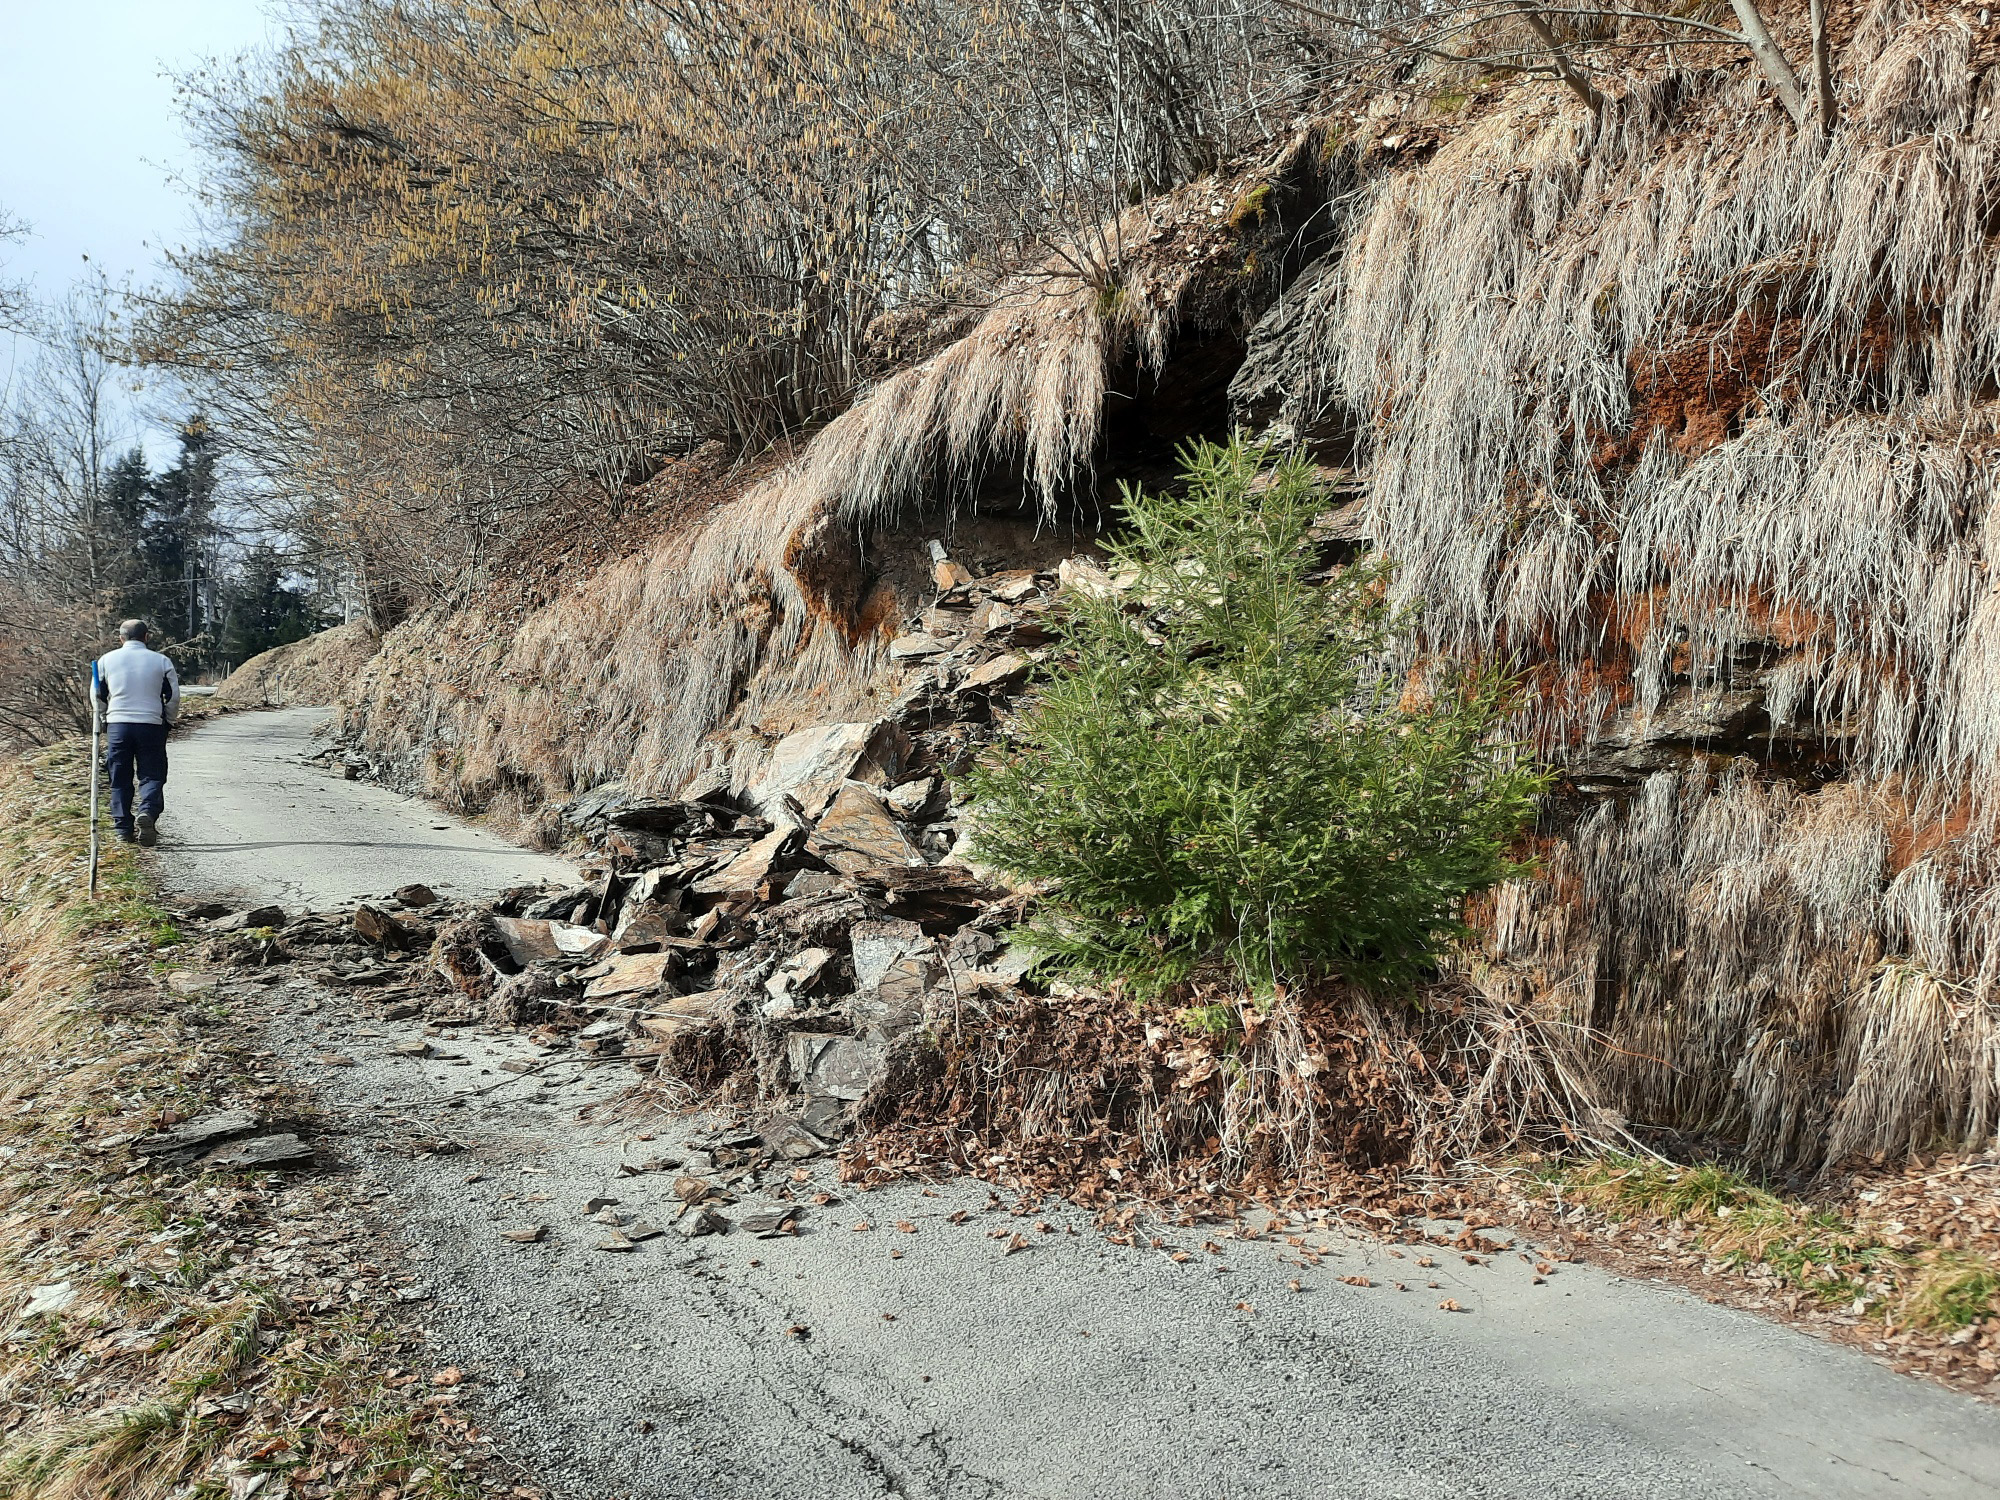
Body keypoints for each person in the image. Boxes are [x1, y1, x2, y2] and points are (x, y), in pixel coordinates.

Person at [95, 619, 181, 846]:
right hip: (151, 724)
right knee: (152, 774)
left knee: (119, 777)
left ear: (121, 638)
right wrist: (169, 721)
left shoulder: (106, 661)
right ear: (147, 636)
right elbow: (172, 696)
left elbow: (97, 695)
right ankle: (148, 812)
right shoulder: (161, 661)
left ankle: (123, 828)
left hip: (118, 725)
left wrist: (103, 718)